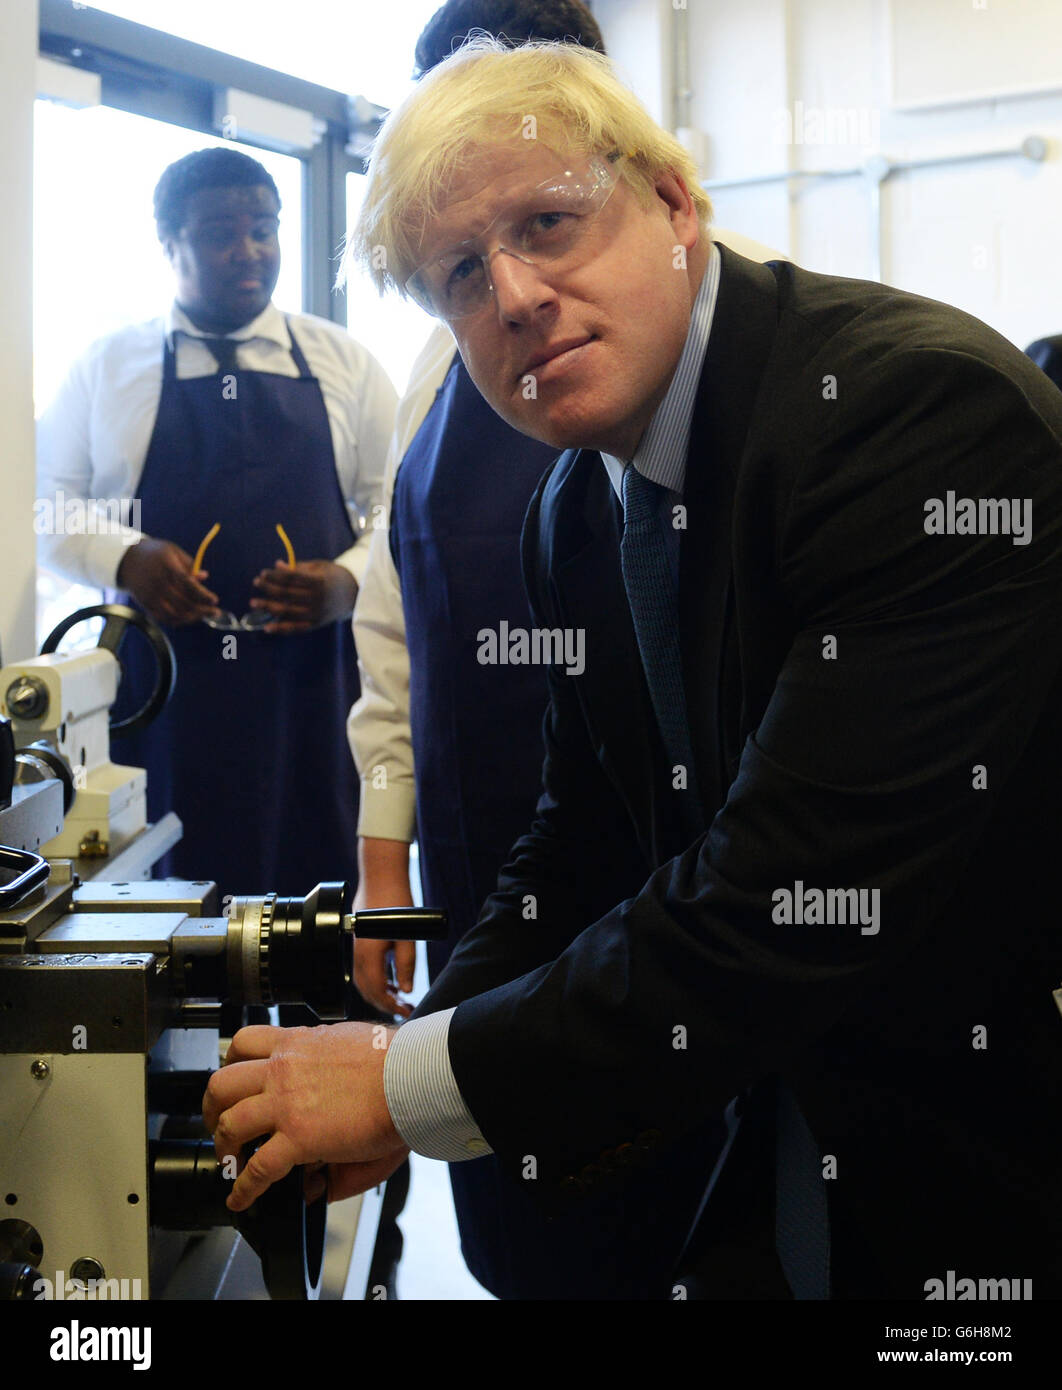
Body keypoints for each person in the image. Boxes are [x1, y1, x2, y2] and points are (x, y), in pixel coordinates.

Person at [204, 39, 1062, 1299]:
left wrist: (402, 1089)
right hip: (781, 1115)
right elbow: (586, 831)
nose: (514, 294)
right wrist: (413, 1052)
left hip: (984, 1128)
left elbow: (780, 901)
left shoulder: (914, 417)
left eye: (550, 222)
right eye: (458, 273)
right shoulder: (577, 509)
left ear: (673, 203)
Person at [37, 147, 396, 899]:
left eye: (264, 229)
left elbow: (401, 507)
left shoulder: (345, 364)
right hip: (163, 696)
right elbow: (44, 505)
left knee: (315, 914)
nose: (250, 251)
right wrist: (126, 556)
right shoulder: (109, 366)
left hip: (312, 693)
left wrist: (349, 582)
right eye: (221, 233)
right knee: (171, 907)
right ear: (169, 243)